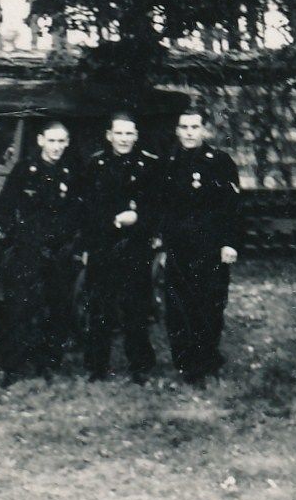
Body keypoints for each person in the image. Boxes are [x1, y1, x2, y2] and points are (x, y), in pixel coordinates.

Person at [159, 106, 240, 385]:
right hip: (178, 247)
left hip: (210, 247)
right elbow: (160, 208)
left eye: (195, 127)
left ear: (205, 130)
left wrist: (229, 243)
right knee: (178, 307)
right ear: (177, 130)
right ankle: (185, 364)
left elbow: (232, 208)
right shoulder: (167, 162)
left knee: (209, 305)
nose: (189, 133)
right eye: (184, 127)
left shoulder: (219, 162)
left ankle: (207, 359)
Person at [0, 120, 79, 378]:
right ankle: (12, 367)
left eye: (61, 141)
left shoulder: (72, 172)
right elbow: (2, 210)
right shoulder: (25, 170)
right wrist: (20, 237)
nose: (56, 147)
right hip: (28, 250)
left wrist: (70, 242)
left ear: (67, 143)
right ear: (41, 141)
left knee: (57, 307)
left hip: (60, 251)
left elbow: (80, 211)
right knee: (20, 307)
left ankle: (48, 364)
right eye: (51, 141)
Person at [79, 112, 159, 383]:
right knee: (100, 308)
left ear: (136, 136)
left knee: (135, 308)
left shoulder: (149, 166)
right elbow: (86, 208)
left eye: (129, 134)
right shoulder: (95, 164)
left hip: (135, 246)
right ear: (109, 136)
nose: (124, 139)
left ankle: (140, 366)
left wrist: (138, 219)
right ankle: (97, 367)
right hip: (103, 245)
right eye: (119, 134)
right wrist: (99, 234)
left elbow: (158, 209)